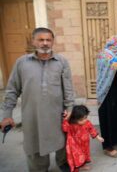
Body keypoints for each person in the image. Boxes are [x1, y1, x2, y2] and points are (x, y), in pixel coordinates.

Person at [0, 27, 74, 171]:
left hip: (57, 113)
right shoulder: (22, 62)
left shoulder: (61, 62)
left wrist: (69, 108)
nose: (45, 43)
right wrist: (7, 115)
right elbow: (11, 90)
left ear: (53, 42)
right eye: (41, 40)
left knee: (62, 141)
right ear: (33, 41)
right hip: (32, 115)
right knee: (34, 144)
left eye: (48, 40)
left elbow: (68, 88)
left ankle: (63, 163)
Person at [62, 105, 104, 172]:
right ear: (75, 119)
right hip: (75, 146)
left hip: (85, 144)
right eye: (81, 119)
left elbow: (92, 129)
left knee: (84, 155)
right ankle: (77, 168)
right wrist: (65, 118)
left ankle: (83, 165)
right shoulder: (72, 125)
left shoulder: (87, 123)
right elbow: (65, 128)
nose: (84, 120)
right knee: (77, 158)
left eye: (86, 117)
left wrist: (98, 137)